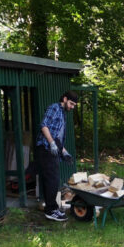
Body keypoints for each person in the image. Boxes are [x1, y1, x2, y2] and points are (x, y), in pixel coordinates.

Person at [36, 90, 78, 221]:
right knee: (52, 180)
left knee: (52, 180)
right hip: (46, 148)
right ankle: (51, 211)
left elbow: (58, 137)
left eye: (74, 106)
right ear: (65, 99)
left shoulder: (62, 113)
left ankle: (52, 208)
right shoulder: (54, 107)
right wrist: (51, 143)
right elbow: (44, 125)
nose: (72, 107)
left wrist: (64, 151)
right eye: (71, 103)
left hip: (53, 148)